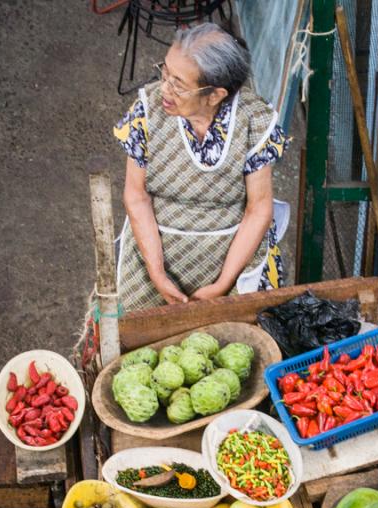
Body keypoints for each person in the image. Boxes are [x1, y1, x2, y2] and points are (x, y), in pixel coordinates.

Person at [114, 22, 290, 311]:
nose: (164, 89)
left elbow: (258, 209)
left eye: (178, 84)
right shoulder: (146, 113)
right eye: (165, 72)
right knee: (135, 337)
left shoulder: (254, 120)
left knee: (248, 333)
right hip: (155, 253)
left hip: (231, 256)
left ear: (215, 95)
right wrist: (157, 273)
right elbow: (136, 195)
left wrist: (222, 284)